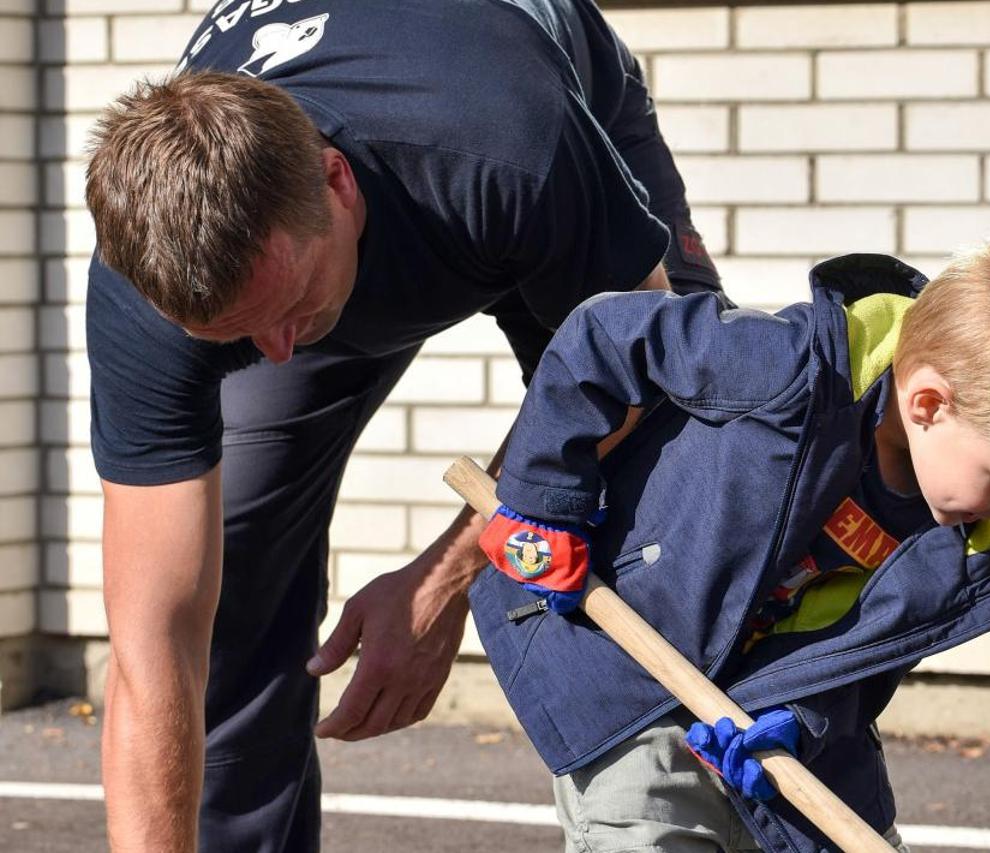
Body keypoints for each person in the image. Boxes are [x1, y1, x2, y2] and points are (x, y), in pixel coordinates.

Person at [82, 1, 724, 850]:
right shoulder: (150, 291)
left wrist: (445, 579)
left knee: (687, 461)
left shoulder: (506, 141)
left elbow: (640, 374)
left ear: (337, 183)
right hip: (357, 226)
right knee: (230, 583)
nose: (275, 355)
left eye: (288, 308)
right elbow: (152, 645)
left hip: (521, 130)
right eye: (236, 333)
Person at [473, 228, 990, 852]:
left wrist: (800, 717)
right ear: (930, 404)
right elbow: (605, 337)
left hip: (764, 717)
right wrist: (544, 501)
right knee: (648, 825)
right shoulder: (784, 367)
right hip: (627, 663)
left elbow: (865, 658)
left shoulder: (975, 534)